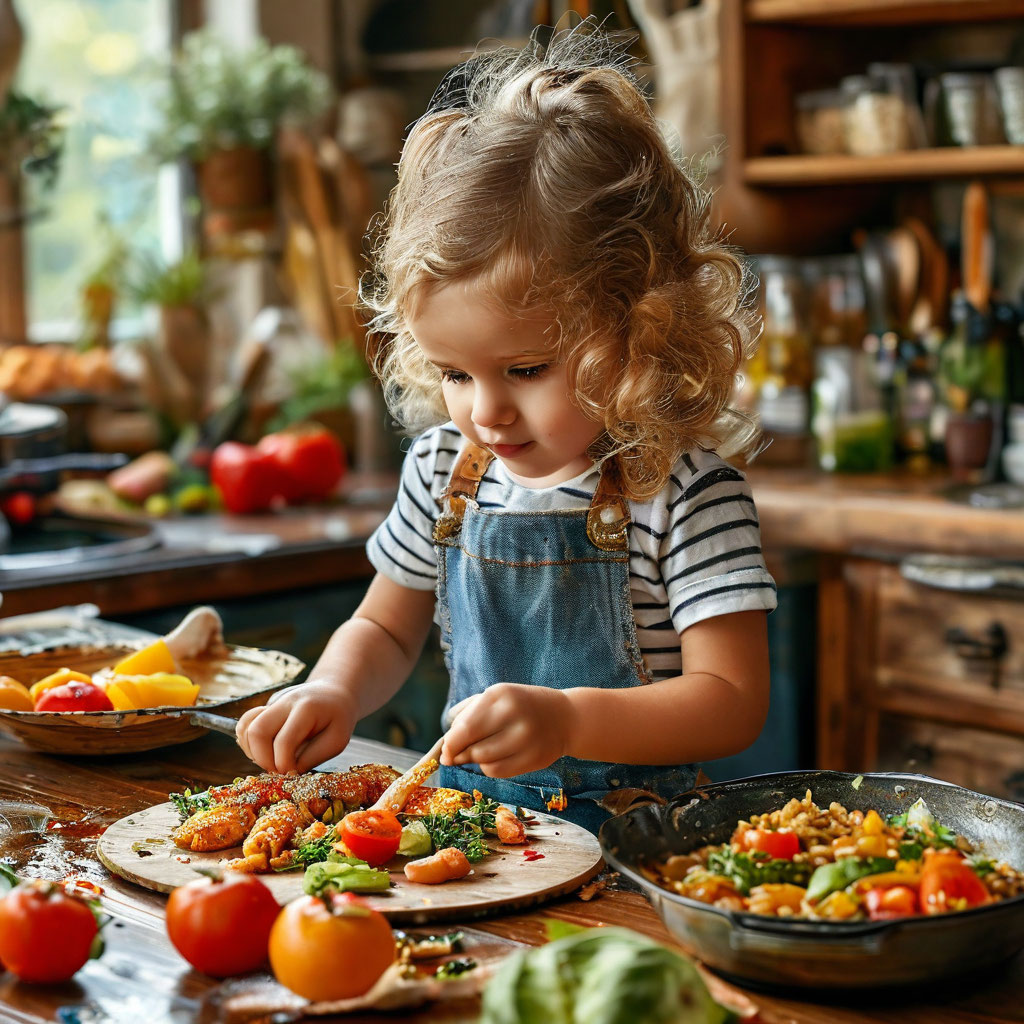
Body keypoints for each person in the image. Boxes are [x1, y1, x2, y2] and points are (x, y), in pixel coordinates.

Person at [236, 20, 777, 833]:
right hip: (471, 837)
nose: (484, 410)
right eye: (456, 373)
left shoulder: (687, 495)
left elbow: (731, 704)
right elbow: (386, 624)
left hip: (631, 847)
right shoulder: (443, 468)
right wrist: (333, 688)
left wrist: (568, 721)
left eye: (525, 371)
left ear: (641, 331)